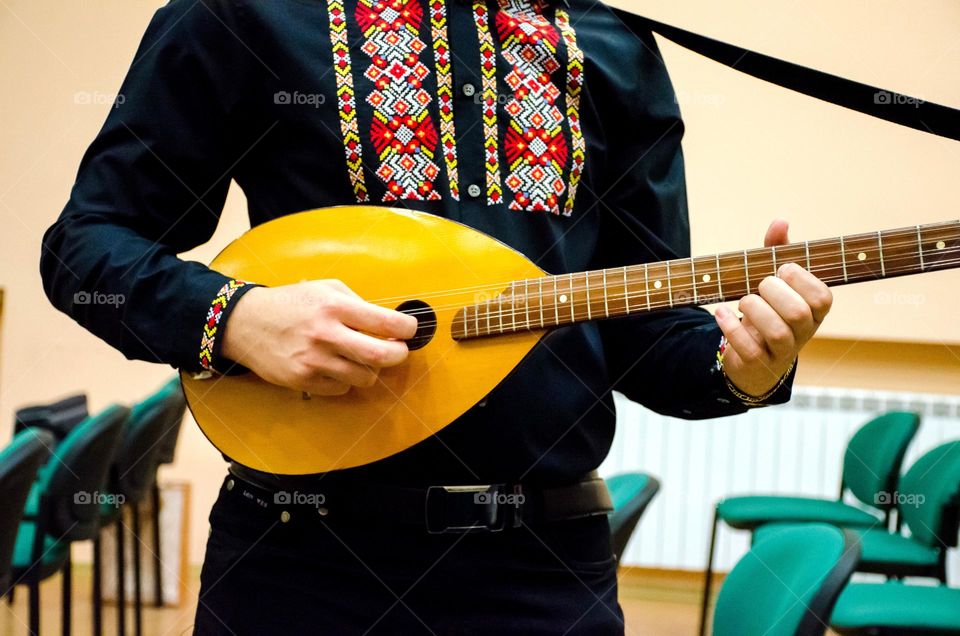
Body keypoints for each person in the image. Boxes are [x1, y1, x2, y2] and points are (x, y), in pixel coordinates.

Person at [40, 0, 832, 633]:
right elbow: (84, 246)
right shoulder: (246, 14)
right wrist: (233, 318)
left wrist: (743, 368)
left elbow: (647, 334)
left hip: (545, 574)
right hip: (301, 568)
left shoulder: (613, 45)